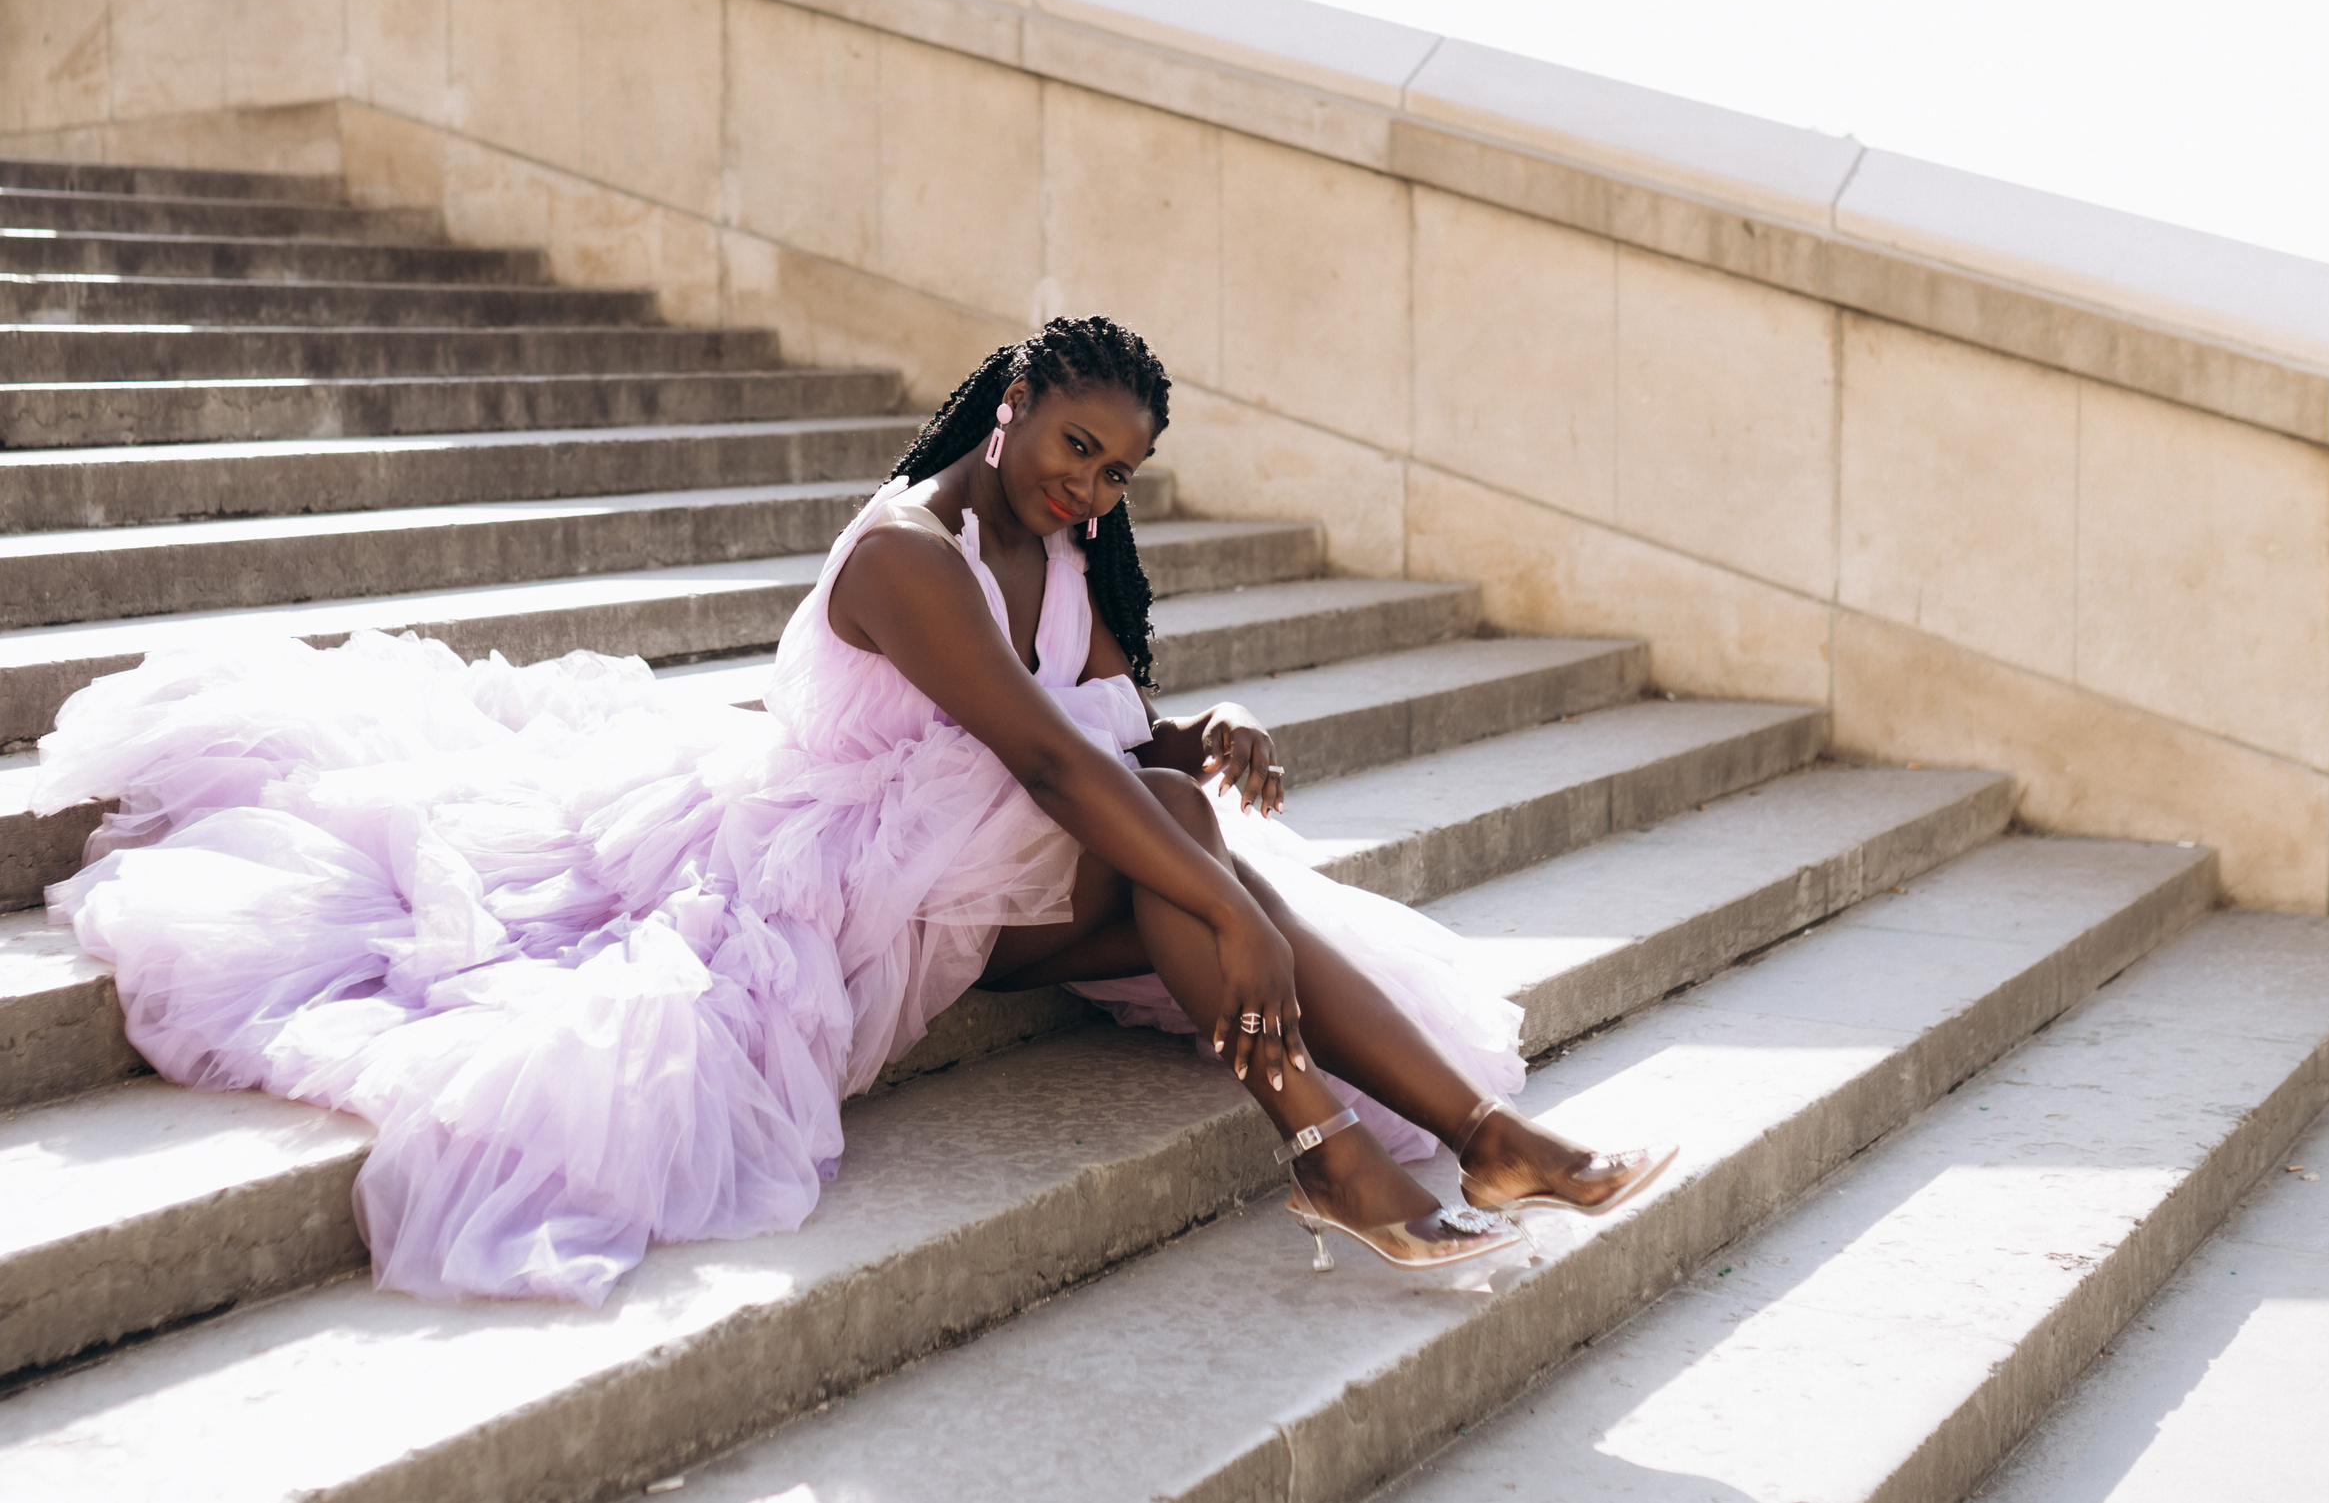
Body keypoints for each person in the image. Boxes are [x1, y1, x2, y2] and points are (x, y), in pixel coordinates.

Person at [37, 315, 1672, 1305]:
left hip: (1005, 850)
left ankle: (1456, 1142)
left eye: (1116, 475)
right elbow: (1041, 761)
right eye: (1073, 448)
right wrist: (1217, 877)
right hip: (845, 870)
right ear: (1016, 399)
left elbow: (1105, 722)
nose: (1087, 489)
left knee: (1174, 802)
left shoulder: (1069, 552)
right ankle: (1352, 1139)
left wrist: (1200, 727)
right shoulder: (906, 555)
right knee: (1188, 856)